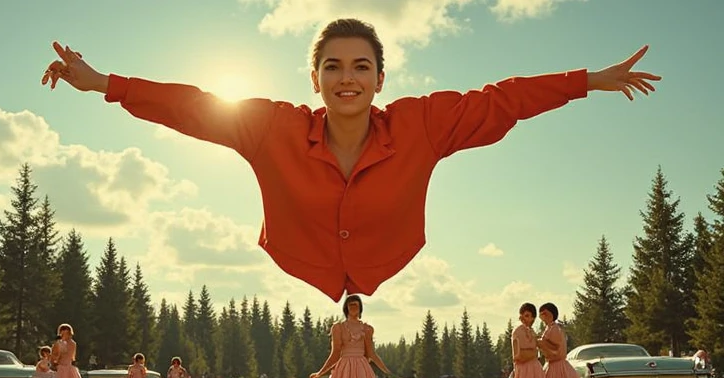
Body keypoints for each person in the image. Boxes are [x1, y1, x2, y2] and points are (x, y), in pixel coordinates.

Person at [41, 18, 660, 303]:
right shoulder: (273, 127)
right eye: (332, 66)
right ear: (314, 79)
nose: (347, 78)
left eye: (360, 65)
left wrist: (588, 81)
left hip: (385, 253)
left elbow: (503, 99)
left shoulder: (420, 123)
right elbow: (195, 106)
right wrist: (105, 84)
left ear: (380, 78)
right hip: (301, 251)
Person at [310, 294, 390, 378]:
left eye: (356, 305)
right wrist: (320, 373)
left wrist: (386, 370)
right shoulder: (338, 328)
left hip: (362, 372)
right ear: (346, 308)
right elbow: (335, 354)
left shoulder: (367, 329)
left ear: (360, 308)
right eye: (350, 305)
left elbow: (370, 353)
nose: (353, 307)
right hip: (344, 370)